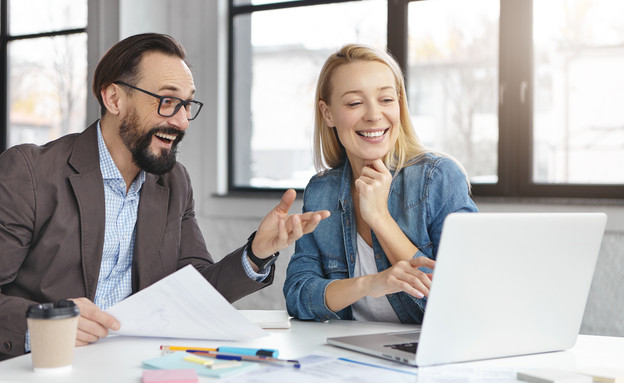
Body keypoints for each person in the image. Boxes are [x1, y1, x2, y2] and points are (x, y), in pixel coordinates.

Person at [0, 33, 329, 360]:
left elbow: (196, 290)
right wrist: (45, 324)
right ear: (114, 99)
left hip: (134, 364)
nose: (182, 121)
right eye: (167, 101)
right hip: (43, 365)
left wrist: (256, 253)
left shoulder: (174, 182)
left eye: (187, 105)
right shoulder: (30, 172)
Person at [283, 44, 477, 324]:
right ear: (328, 114)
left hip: (423, 355)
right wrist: (369, 284)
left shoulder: (437, 178)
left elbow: (463, 299)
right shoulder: (321, 191)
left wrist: (380, 219)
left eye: (386, 99)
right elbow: (298, 295)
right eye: (354, 103)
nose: (374, 115)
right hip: (353, 355)